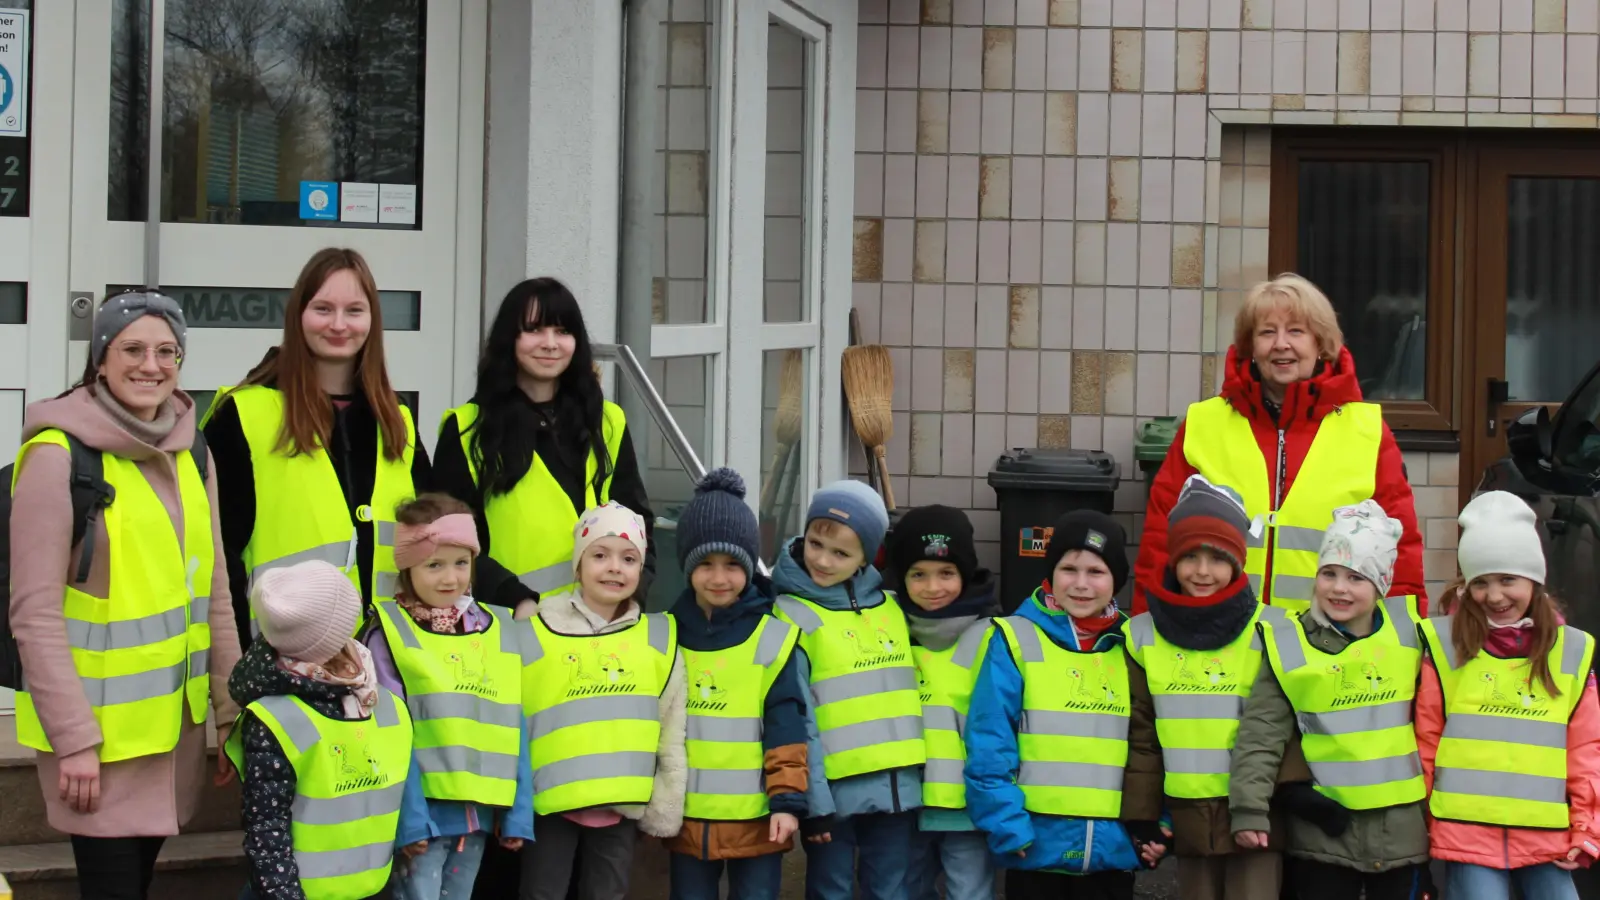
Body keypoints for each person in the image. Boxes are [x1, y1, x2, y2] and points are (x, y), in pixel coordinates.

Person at [8, 291, 243, 900]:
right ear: (101, 358)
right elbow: (34, 615)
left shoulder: (194, 451)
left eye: (167, 352)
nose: (151, 365)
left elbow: (215, 593)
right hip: (95, 748)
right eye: (133, 349)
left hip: (174, 742)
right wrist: (74, 741)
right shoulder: (58, 456)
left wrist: (230, 712)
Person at [1134, 274, 1425, 616]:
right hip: (1218, 634)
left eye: (1296, 331)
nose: (1281, 344)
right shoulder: (1203, 423)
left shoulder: (1367, 431)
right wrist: (1146, 629)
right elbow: (1160, 542)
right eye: (1267, 332)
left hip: (1330, 639)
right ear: (1250, 346)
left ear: (1321, 344)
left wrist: (1404, 636)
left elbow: (1400, 548)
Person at [206, 248, 430, 643]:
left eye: (354, 311)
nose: (339, 324)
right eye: (323, 309)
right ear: (298, 315)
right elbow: (218, 556)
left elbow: (434, 541)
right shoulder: (242, 413)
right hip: (280, 656)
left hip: (386, 657)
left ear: (373, 320)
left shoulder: (397, 419)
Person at [1229, 501, 1431, 900]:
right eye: (1329, 573)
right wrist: (1249, 809)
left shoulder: (1410, 635)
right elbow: (1261, 733)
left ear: (1380, 585)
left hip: (1401, 834)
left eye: (1356, 577)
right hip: (1322, 831)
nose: (1339, 588)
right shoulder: (1289, 644)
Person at [1124, 475, 1313, 900]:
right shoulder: (1142, 635)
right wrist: (1144, 817)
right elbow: (1142, 735)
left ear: (1238, 562)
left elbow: (1289, 727)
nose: (1202, 571)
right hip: (1187, 818)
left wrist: (1286, 797)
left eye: (1217, 557)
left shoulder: (1275, 630)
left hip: (1257, 816)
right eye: (1190, 556)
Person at [964, 511, 1166, 900]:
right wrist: (1006, 824)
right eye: (1069, 569)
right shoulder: (1015, 639)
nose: (1081, 584)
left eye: (1096, 571)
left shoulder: (1133, 646)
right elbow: (989, 742)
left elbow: (1153, 745)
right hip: (1034, 848)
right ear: (1051, 573)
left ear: (1116, 579)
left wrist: (1158, 825)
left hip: (1112, 850)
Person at [1417, 491, 1600, 900]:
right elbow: (1426, 742)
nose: (1495, 596)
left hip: (1548, 837)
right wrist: (1418, 826)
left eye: (1507, 580)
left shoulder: (1570, 651)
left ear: (1534, 579)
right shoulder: (1445, 647)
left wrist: (1587, 828)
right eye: (1480, 582)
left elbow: (1586, 750)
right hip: (1466, 836)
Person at [434, 278, 654, 615]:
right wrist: (515, 598)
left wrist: (634, 596)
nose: (550, 344)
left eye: (563, 331)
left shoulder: (607, 422)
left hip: (601, 623)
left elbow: (639, 524)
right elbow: (448, 539)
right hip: (508, 622)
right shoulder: (468, 429)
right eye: (534, 330)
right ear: (510, 338)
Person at [364, 493, 535, 900]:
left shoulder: (494, 629)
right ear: (407, 567)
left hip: (476, 820)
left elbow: (510, 723)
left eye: (461, 562)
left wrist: (517, 813)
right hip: (421, 819)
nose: (450, 578)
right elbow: (386, 735)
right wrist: (409, 821)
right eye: (434, 565)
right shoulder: (390, 634)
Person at [519, 501, 687, 900]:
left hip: (620, 808)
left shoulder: (658, 640)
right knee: (541, 894)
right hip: (550, 806)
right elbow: (513, 721)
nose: (614, 568)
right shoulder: (536, 631)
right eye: (599, 555)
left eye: (629, 558)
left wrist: (664, 805)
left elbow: (671, 730)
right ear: (578, 565)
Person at [226, 560, 414, 900]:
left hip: (370, 886)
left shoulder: (372, 698)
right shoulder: (276, 718)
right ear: (330, 639)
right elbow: (267, 827)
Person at [663, 469, 810, 900]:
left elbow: (786, 725)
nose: (719, 578)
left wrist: (787, 801)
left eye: (731, 564)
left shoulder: (772, 637)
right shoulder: (666, 636)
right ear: (687, 566)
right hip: (687, 820)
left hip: (759, 819)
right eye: (705, 564)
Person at [771, 480, 922, 900]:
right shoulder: (789, 614)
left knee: (892, 892)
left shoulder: (893, 608)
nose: (823, 560)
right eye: (816, 544)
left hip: (898, 793)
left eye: (841, 553)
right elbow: (798, 717)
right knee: (830, 891)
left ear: (865, 558)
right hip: (832, 801)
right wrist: (814, 804)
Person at [885, 505, 1000, 900]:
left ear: (965, 573)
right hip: (902, 804)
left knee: (969, 892)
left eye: (946, 573)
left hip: (967, 805)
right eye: (918, 574)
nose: (933, 587)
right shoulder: (885, 631)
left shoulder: (993, 636)